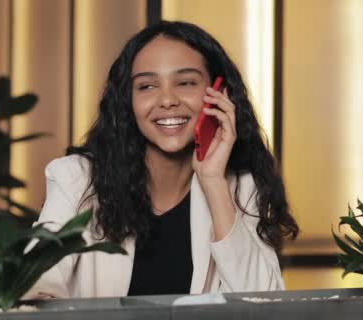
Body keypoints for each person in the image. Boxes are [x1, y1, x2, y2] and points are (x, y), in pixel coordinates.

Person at [24, 20, 298, 299]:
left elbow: (263, 303)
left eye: (186, 82)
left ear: (218, 93)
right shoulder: (76, 178)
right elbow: (35, 284)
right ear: (127, 101)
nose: (167, 100)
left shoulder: (241, 187)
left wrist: (213, 180)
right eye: (146, 86)